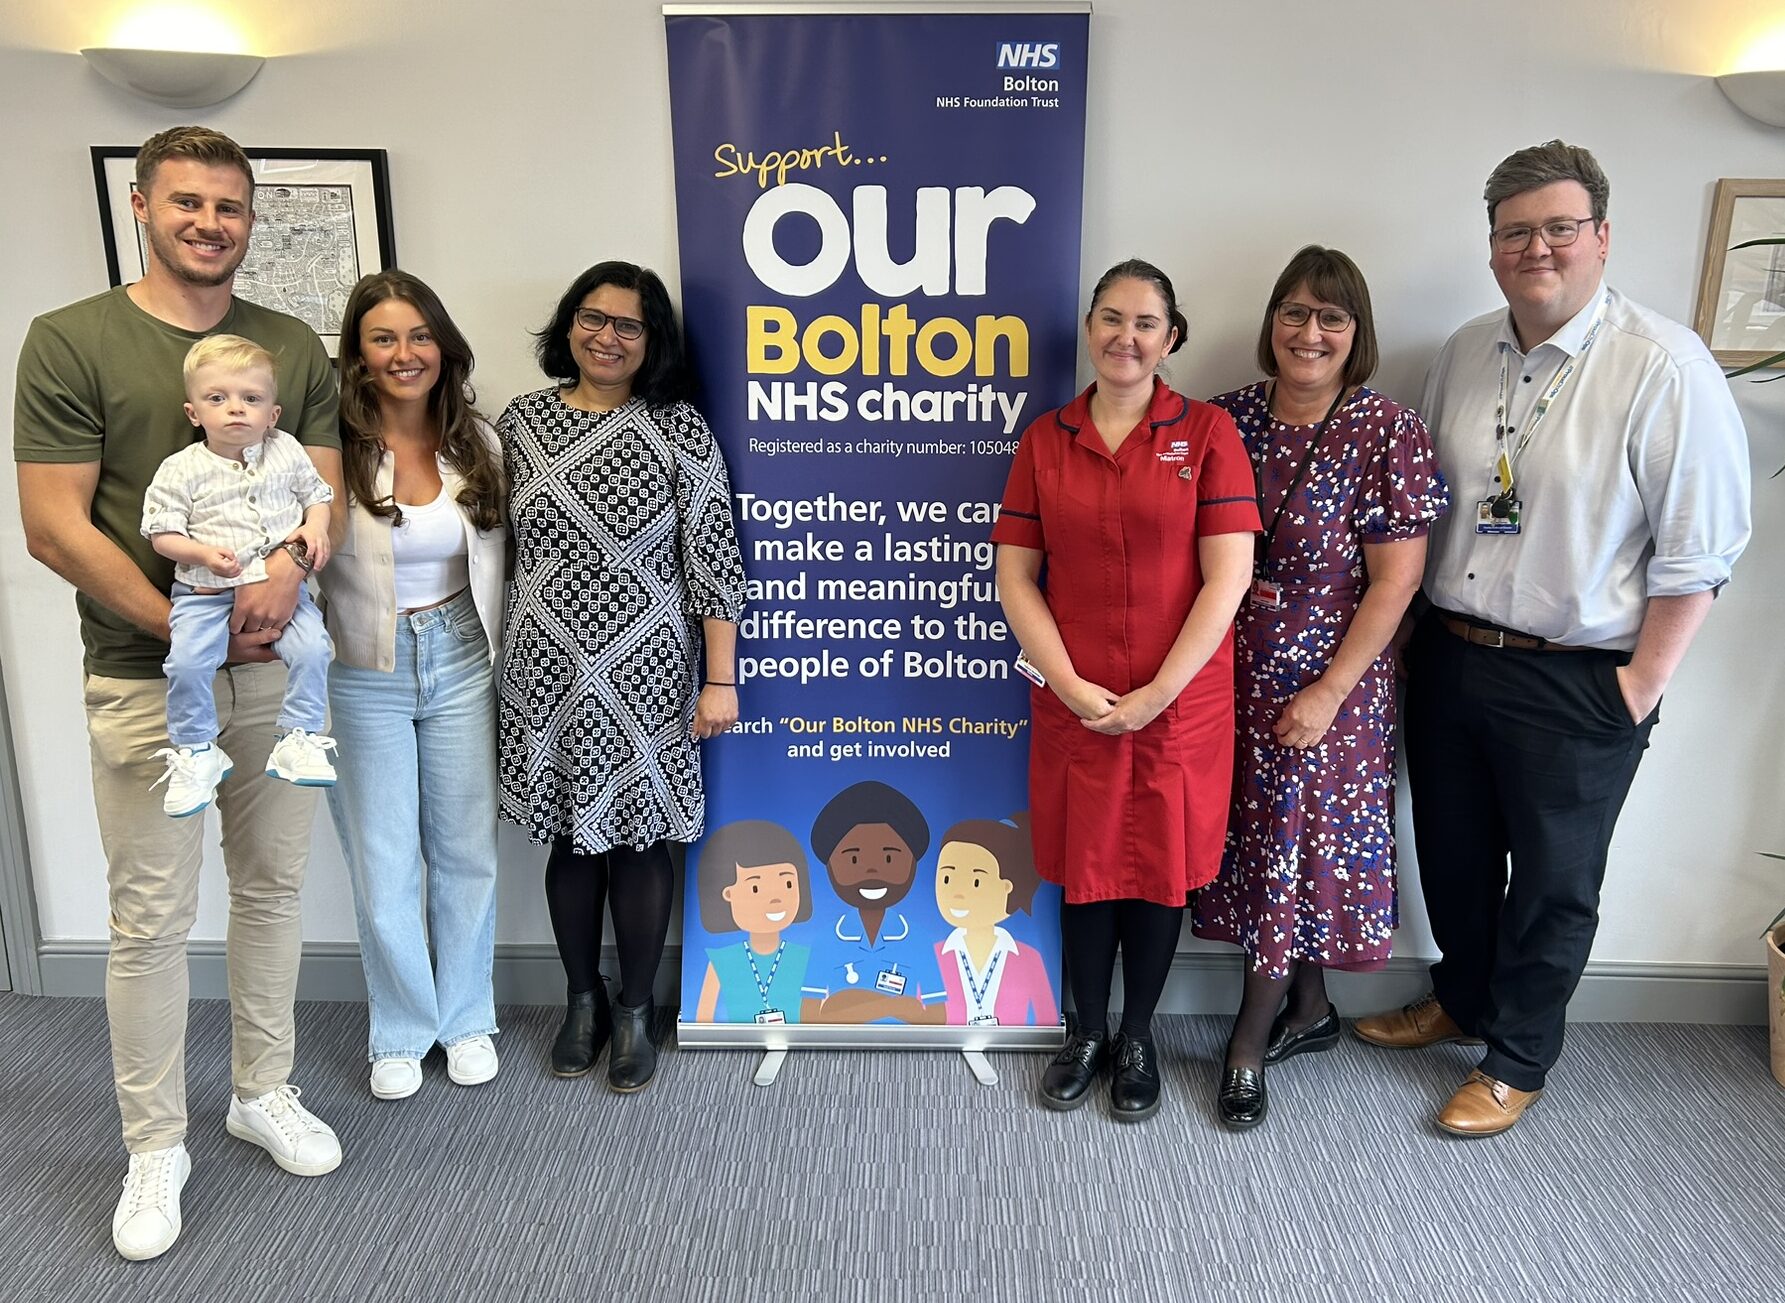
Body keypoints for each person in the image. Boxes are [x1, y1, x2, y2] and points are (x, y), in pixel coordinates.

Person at [1353, 141, 1750, 1136]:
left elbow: (1701, 550)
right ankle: (1464, 997)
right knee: (1448, 854)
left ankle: (1519, 1057)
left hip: (1579, 678)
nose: (1538, 247)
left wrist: (1638, 688)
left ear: (1601, 237)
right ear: (1491, 247)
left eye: (1559, 227)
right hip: (1451, 654)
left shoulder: (1663, 366)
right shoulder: (1464, 348)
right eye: (1516, 230)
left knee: (1553, 881)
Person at [14, 125, 347, 1261]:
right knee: (149, 920)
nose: (212, 224)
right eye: (190, 203)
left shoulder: (293, 343)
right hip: (151, 675)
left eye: (232, 207)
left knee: (273, 890)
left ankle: (263, 1088)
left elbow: (324, 498)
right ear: (145, 207)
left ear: (252, 221)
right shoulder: (70, 341)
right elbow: (54, 525)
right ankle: (154, 1142)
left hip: (278, 663)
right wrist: (192, 633)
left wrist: (290, 576)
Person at [992, 259, 1261, 1121]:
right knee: (1085, 869)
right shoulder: (1046, 439)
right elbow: (1015, 575)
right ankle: (1084, 1030)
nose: (1126, 336)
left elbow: (1227, 579)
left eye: (1145, 322)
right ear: (1089, 328)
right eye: (1111, 318)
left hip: (1178, 703)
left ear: (1170, 337)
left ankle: (1137, 1033)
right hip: (1076, 700)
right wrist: (1070, 684)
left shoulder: (1209, 433)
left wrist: (1155, 693)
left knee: (1157, 874)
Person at [1190, 247, 1448, 1129]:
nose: (1309, 333)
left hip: (1327, 680)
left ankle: (1248, 1044)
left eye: (1330, 318)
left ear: (1355, 333)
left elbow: (1394, 582)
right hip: (1227, 674)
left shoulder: (1388, 432)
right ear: (1271, 321)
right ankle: (1310, 1008)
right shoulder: (1223, 421)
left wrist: (1330, 692)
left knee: (1295, 842)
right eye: (1294, 313)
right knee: (1267, 845)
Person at [499, 261, 747, 1093]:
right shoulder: (520, 424)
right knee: (571, 837)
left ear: (652, 342)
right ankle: (583, 1000)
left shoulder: (679, 428)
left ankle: (636, 1006)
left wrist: (721, 679)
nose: (606, 336)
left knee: (640, 839)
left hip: (646, 669)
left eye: (628, 325)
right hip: (547, 668)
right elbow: (489, 549)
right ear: (567, 324)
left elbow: (714, 557)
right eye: (591, 318)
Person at [317, 271, 507, 1101]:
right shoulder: (328, 449)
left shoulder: (481, 443)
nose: (405, 353)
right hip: (363, 665)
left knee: (465, 852)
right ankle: (399, 1028)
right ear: (358, 355)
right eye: (384, 338)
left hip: (463, 652)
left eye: (419, 335)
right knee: (383, 856)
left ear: (443, 346)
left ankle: (465, 1018)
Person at [143, 335, 339, 817]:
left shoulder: (286, 449)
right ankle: (196, 751)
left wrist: (315, 526)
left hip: (284, 594)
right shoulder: (181, 468)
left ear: (272, 413)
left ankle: (301, 735)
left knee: (316, 648)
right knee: (187, 663)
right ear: (194, 413)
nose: (235, 409)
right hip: (204, 592)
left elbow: (319, 495)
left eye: (251, 399)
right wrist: (204, 554)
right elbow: (161, 534)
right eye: (218, 399)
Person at [798, 780, 948, 1024]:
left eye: (889, 858)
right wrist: (894, 1005)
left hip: (907, 1049)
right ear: (831, 867)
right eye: (854, 860)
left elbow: (937, 1016)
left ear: (912, 864)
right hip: (835, 1050)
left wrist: (844, 1005)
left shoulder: (919, 939)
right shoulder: (825, 939)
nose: (871, 870)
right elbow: (809, 1017)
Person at [931, 814, 1059, 1027]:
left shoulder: (1030, 958)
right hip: (943, 1043)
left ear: (1007, 887)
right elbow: (922, 1015)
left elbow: (1045, 1015)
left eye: (977, 881)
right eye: (947, 878)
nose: (958, 893)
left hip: (1017, 1045)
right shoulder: (933, 955)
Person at [691, 820, 814, 1024]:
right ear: (728, 894)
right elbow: (703, 1018)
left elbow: (819, 1011)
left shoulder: (806, 957)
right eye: (755, 888)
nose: (776, 898)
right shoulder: (720, 962)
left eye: (788, 883)